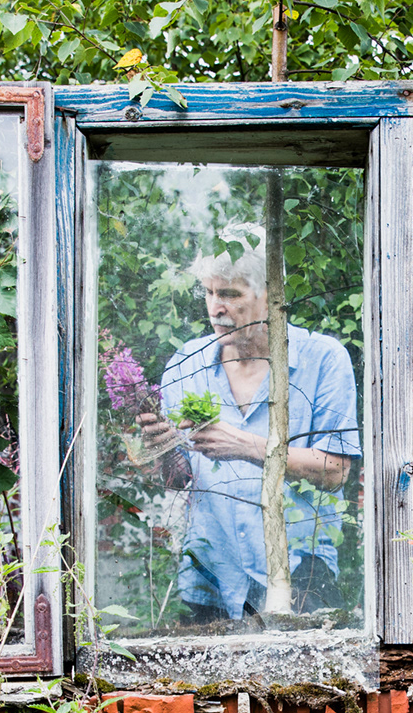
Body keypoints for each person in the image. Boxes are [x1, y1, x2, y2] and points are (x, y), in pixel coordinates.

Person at [139, 222, 360, 624]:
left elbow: (335, 470)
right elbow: (178, 480)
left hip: (297, 572)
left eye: (229, 294)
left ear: (269, 296)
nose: (214, 307)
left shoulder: (322, 360)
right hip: (209, 573)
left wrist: (245, 446)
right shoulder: (186, 367)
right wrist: (163, 449)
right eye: (208, 292)